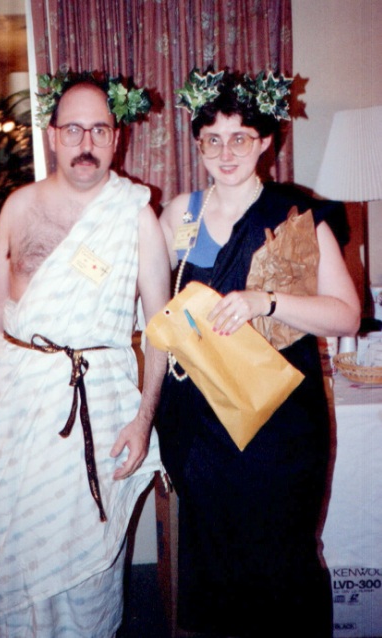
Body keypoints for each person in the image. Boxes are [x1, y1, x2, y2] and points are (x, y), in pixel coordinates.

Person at [0, 70, 170, 637]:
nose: (86, 143)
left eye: (99, 131)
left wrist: (143, 416)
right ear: (52, 136)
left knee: (88, 564)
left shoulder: (135, 216)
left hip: (98, 404)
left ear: (116, 139)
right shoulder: (19, 207)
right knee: (11, 540)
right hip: (17, 403)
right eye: (73, 129)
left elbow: (161, 326)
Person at [156, 69, 361, 638]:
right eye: (212, 139)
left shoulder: (296, 214)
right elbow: (153, 305)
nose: (226, 152)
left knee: (282, 562)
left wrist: (264, 300)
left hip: (281, 428)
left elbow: (345, 314)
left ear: (266, 140)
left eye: (241, 137)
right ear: (197, 143)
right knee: (214, 566)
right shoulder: (180, 215)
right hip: (200, 426)